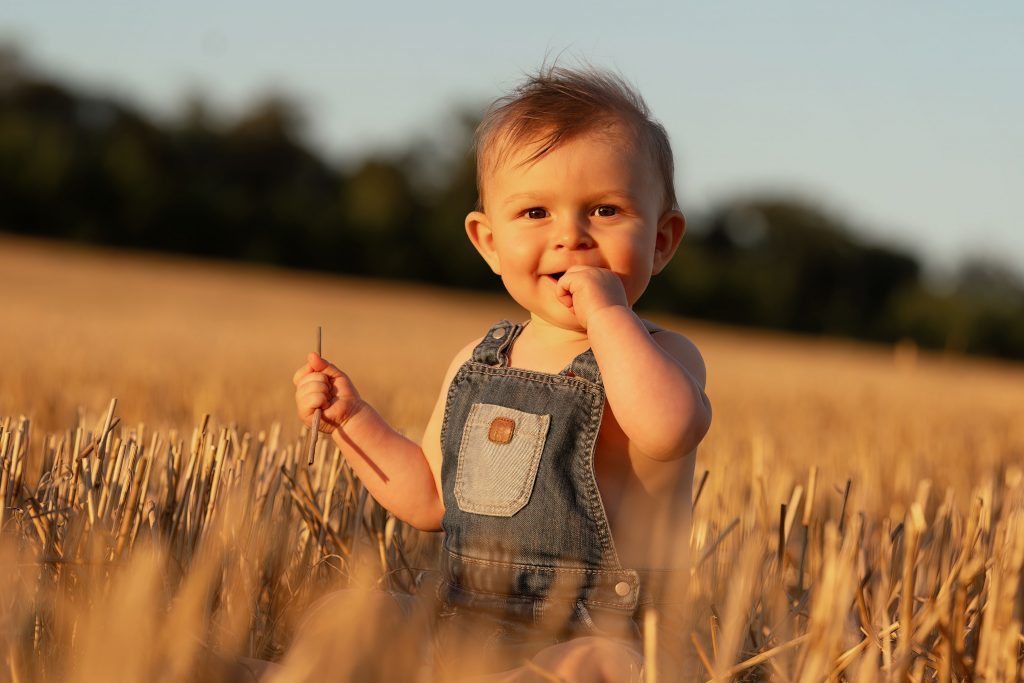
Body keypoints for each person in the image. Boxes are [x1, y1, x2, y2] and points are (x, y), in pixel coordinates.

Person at [291, 65, 712, 681]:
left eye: (605, 210)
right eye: (536, 212)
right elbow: (431, 497)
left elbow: (669, 428)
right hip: (465, 624)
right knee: (352, 614)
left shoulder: (664, 355)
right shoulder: (478, 361)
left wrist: (608, 314)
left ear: (662, 240)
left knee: (595, 666)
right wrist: (352, 420)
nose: (570, 237)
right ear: (488, 242)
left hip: (606, 632)